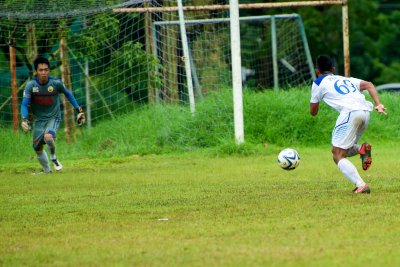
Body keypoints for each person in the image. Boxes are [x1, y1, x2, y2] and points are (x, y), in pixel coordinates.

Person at [310, 55, 386, 194]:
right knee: (345, 149)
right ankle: (361, 150)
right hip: (365, 112)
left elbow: (313, 112)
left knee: (337, 154)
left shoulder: (318, 82)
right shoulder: (345, 79)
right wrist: (378, 104)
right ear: (333, 69)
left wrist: (317, 101)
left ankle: (361, 185)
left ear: (317, 71)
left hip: (351, 113)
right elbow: (369, 84)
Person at [21, 57, 86, 174]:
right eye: (40, 70)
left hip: (54, 117)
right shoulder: (30, 86)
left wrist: (79, 111)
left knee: (48, 137)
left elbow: (68, 94)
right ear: (36, 71)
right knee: (37, 148)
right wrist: (24, 120)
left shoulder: (56, 83)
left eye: (46, 70)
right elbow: (24, 104)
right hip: (39, 120)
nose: (43, 73)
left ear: (49, 70)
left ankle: (54, 158)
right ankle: (47, 171)